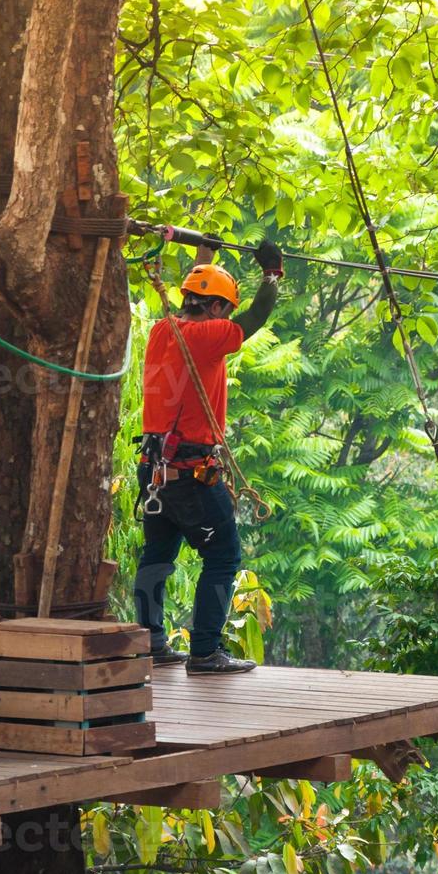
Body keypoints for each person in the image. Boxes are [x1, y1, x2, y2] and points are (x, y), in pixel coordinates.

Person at [133, 239, 283, 674]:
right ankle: (204, 651)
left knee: (157, 553)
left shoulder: (165, 328)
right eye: (226, 309)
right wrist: (272, 273)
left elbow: (191, 299)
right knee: (223, 556)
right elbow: (256, 316)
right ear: (218, 309)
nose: (229, 319)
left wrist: (204, 256)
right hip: (188, 473)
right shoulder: (210, 335)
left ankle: (151, 642)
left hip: (155, 467)